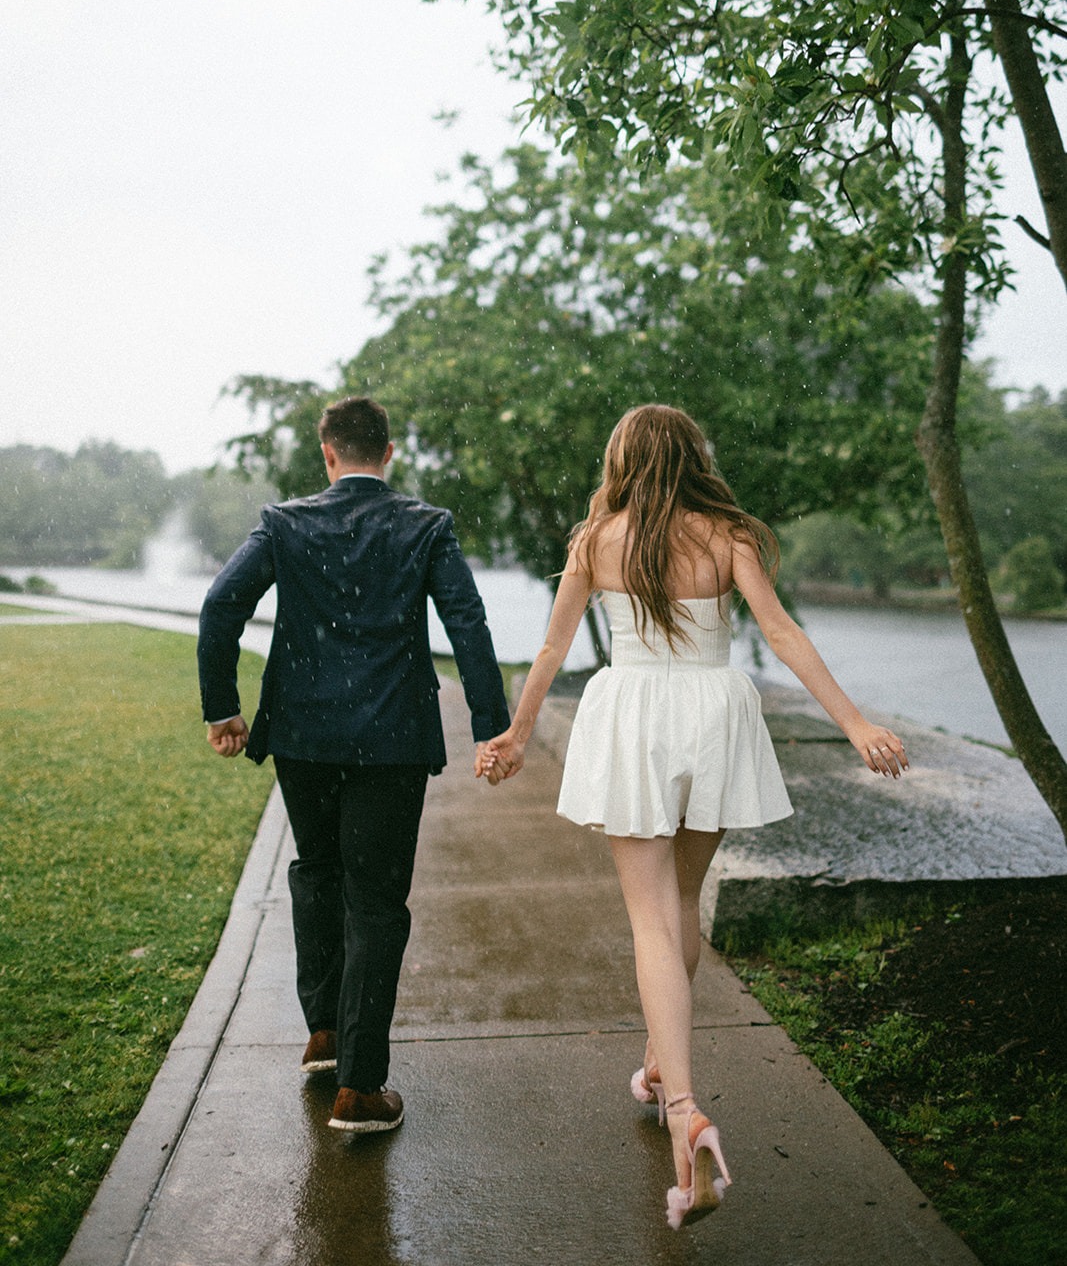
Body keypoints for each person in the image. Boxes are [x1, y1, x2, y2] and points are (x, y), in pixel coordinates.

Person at [476, 404, 908, 1228]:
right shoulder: (727, 537)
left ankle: (682, 1110)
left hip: (635, 715)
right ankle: (655, 1062)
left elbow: (551, 650)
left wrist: (518, 732)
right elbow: (778, 633)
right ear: (691, 458)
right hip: (713, 713)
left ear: (622, 459)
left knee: (648, 922)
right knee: (680, 906)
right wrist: (853, 722)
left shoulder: (594, 541)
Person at [199, 395, 510, 1135]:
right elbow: (467, 621)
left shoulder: (285, 522)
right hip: (390, 741)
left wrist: (223, 708)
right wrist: (491, 727)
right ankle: (359, 1087)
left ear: (328, 452)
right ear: (390, 453)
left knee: (317, 872)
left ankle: (326, 1034)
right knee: (373, 899)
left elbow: (219, 606)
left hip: (304, 737)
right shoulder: (424, 525)